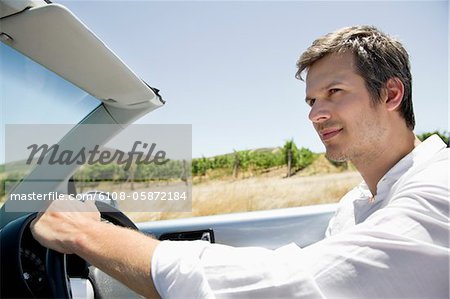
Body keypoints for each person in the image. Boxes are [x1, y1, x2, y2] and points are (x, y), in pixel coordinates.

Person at [31, 25, 449, 298]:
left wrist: (86, 234)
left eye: (335, 92)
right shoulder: (358, 203)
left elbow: (296, 282)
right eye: (311, 100)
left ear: (392, 95)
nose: (314, 114)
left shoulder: (438, 193)